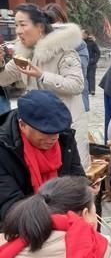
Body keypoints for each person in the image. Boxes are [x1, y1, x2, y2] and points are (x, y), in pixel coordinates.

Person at [0, 4, 88, 166]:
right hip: (38, 128)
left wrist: (41, 75)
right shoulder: (24, 53)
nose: (18, 31)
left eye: (23, 24)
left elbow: (76, 85)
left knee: (70, 177)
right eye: (16, 25)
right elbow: (3, 79)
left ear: (40, 27)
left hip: (66, 125)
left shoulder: (63, 51)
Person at [0, 90, 85, 222]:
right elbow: (10, 206)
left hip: (61, 213)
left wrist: (85, 189)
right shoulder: (4, 149)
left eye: (57, 132)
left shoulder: (63, 136)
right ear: (22, 125)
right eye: (46, 133)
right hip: (22, 221)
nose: (54, 138)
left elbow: (76, 175)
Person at [83, 29, 101, 95]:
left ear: (87, 35)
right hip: (84, 63)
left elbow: (98, 53)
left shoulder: (92, 42)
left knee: (91, 77)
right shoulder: (80, 43)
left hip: (92, 63)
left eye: (84, 34)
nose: (82, 35)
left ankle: (92, 90)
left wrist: (94, 60)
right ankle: (86, 90)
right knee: (85, 77)